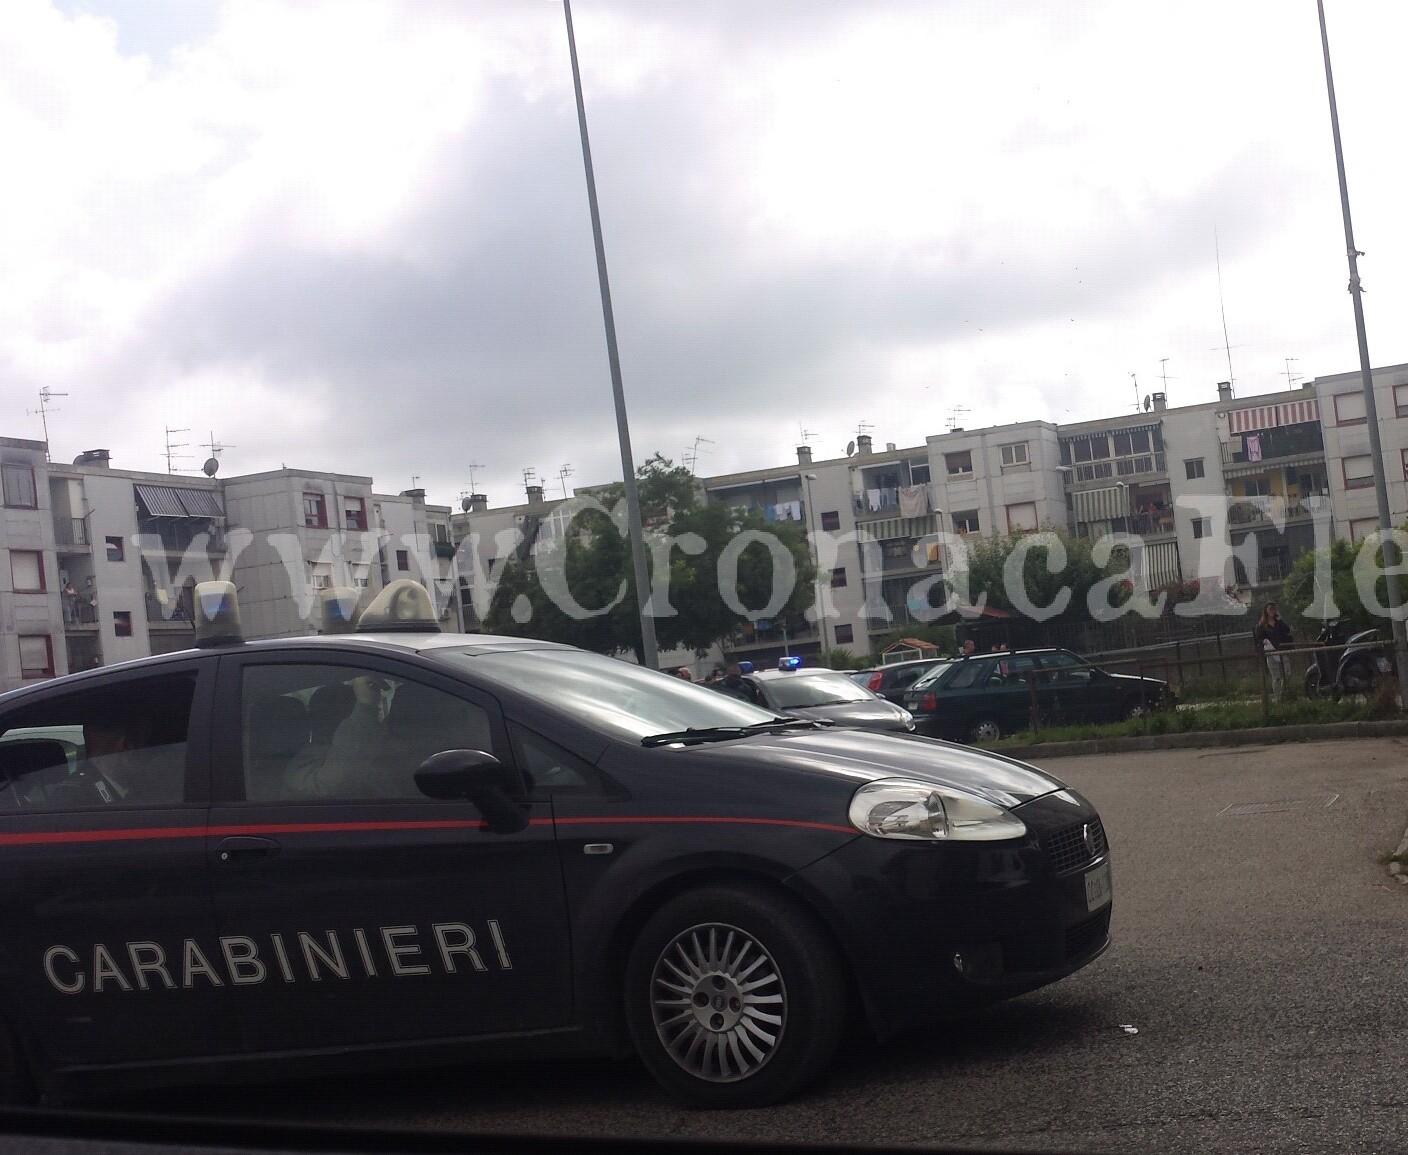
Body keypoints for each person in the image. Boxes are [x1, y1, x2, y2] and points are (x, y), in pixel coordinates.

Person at [1255, 602, 1294, 702]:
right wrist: (1264, 641)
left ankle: (1283, 694)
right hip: (1271, 653)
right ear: (1266, 611)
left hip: (1281, 651)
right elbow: (1258, 638)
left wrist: (1280, 619)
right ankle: (1277, 698)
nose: (1272, 611)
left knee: (1287, 673)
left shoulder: (1278, 623)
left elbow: (1287, 630)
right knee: (1276, 677)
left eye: (1274, 609)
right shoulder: (1262, 625)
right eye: (1270, 609)